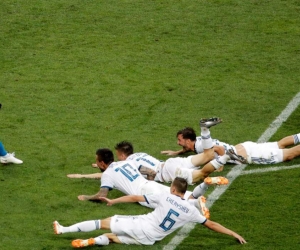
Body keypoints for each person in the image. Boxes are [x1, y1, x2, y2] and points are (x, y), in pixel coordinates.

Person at [53, 177, 246, 248]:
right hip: (151, 239)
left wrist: (114, 200)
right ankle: (92, 241)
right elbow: (211, 225)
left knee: (103, 222)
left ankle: (64, 229)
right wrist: (233, 233)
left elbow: (136, 198)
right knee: (111, 237)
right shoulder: (190, 210)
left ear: (172, 189)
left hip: (142, 225)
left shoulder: (165, 196)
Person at [76, 148, 210, 217]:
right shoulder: (126, 162)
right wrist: (149, 181)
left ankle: (197, 202)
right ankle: (203, 189)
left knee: (174, 205)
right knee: (184, 195)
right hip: (151, 184)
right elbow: (150, 172)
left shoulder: (107, 174)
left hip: (144, 193)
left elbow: (102, 195)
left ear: (101, 163)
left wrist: (86, 197)